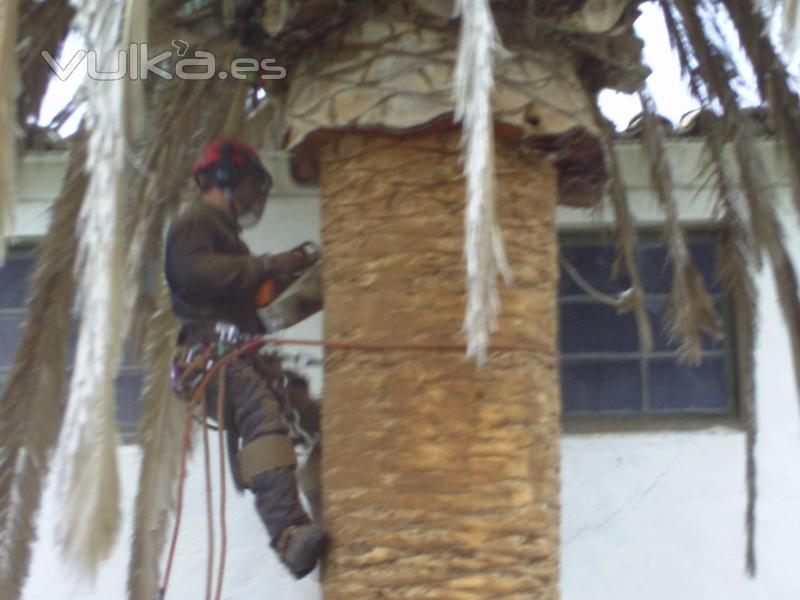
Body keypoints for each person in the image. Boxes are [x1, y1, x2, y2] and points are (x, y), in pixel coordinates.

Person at [164, 139, 327, 579]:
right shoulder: (194, 223)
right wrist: (270, 264)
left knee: (311, 415)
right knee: (260, 415)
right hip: (208, 353)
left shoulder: (227, 239)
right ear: (223, 179)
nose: (255, 197)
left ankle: (329, 499)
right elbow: (197, 274)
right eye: (251, 186)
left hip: (242, 354)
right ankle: (289, 535)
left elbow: (253, 300)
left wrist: (292, 272)